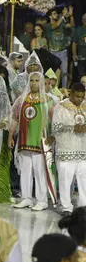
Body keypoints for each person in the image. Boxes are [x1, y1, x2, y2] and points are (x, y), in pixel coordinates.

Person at [9, 72, 55, 212]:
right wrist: (10, 135)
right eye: (32, 80)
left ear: (41, 83)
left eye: (36, 80)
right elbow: (15, 118)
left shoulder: (49, 100)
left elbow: (54, 122)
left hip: (40, 142)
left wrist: (52, 137)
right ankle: (26, 198)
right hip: (24, 141)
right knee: (25, 171)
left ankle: (41, 200)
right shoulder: (21, 100)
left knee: (40, 171)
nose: (34, 83)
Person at [53, 83, 86, 216]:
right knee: (65, 179)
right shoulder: (61, 107)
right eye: (77, 96)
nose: (79, 99)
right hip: (65, 149)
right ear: (70, 93)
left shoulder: (85, 106)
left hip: (83, 150)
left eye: (82, 97)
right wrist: (73, 128)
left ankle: (83, 206)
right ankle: (66, 207)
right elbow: (55, 128)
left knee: (84, 180)